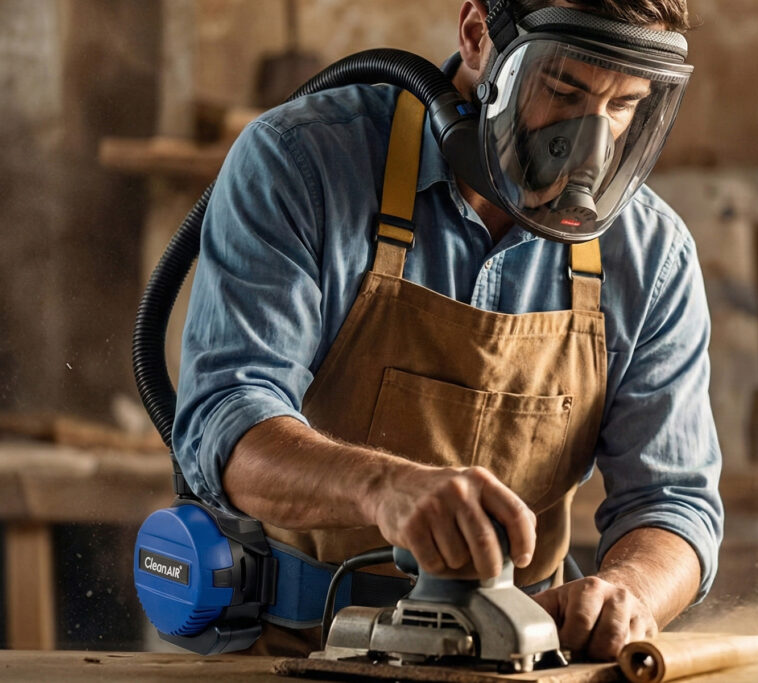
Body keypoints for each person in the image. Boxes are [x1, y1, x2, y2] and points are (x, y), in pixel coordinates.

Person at [173, 0, 723, 661]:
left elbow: (673, 503)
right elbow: (226, 423)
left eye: (623, 105)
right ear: (477, 35)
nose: (588, 143)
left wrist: (629, 590)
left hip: (518, 662)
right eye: (561, 90)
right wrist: (383, 486)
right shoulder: (303, 163)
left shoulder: (651, 254)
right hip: (295, 651)